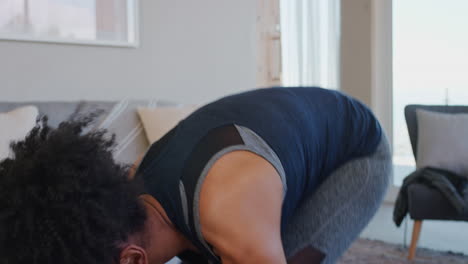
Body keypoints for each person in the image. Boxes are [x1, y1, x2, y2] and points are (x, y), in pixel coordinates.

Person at [0, 87, 391, 264]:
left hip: (356, 153)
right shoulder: (137, 190)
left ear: (133, 261)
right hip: (266, 153)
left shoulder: (232, 219)